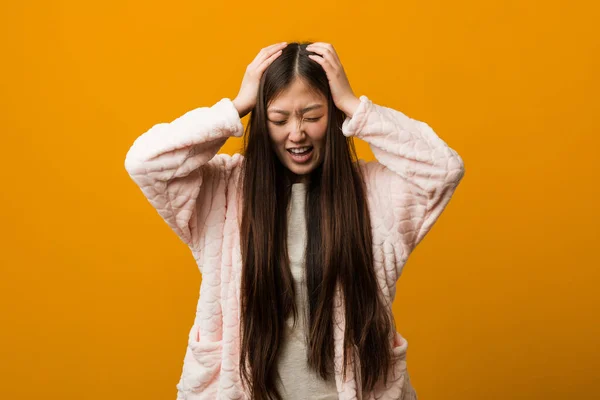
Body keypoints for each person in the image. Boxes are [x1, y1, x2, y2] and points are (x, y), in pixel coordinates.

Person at [124, 41, 465, 400]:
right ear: (261, 121)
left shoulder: (373, 194)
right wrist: (236, 107)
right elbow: (145, 163)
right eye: (279, 119)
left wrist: (353, 106)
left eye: (312, 116)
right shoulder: (221, 193)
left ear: (332, 117)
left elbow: (443, 168)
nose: (296, 133)